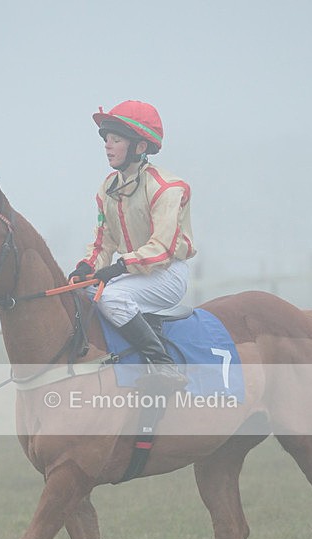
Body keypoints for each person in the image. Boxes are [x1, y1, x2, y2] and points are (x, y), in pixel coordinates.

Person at [69, 100, 196, 388]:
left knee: (111, 298)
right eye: (106, 140)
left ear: (139, 146)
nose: (107, 146)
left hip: (166, 274)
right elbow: (103, 242)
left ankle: (163, 364)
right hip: (130, 272)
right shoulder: (108, 188)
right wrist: (86, 267)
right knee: (81, 293)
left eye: (116, 139)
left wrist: (119, 267)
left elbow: (162, 248)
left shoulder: (168, 187)